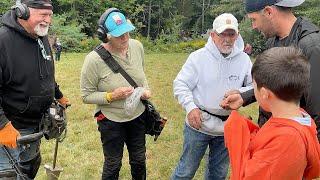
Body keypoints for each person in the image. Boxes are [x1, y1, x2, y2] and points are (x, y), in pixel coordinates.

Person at [220, 0, 320, 140]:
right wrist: (244, 97)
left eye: (254, 19)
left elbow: (317, 111)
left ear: (268, 12)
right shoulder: (273, 42)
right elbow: (275, 84)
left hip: (294, 143)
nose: (253, 26)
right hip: (273, 135)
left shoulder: (311, 46)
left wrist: (312, 156)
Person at [171, 13, 253, 180]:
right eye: (222, 34)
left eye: (231, 34)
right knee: (186, 171)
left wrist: (241, 93)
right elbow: (180, 84)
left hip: (226, 127)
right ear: (213, 35)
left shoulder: (244, 60)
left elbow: (254, 86)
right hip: (199, 123)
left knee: (219, 174)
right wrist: (190, 107)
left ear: (237, 35)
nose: (227, 39)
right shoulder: (198, 57)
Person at [224, 47, 320, 180]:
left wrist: (235, 133)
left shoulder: (287, 140)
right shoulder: (300, 118)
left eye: (254, 85)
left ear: (264, 93)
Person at [0, 0, 70, 179]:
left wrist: (58, 96)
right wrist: (2, 125)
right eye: (43, 15)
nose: (48, 20)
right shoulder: (3, 41)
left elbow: (45, 74)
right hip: (9, 130)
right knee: (9, 175)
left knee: (28, 169)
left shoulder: (41, 37)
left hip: (35, 126)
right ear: (22, 12)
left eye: (50, 15)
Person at [80, 8, 151, 180]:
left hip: (137, 115)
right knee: (113, 164)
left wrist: (145, 90)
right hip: (111, 121)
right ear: (106, 35)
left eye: (127, 32)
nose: (125, 38)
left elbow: (141, 75)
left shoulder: (137, 46)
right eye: (119, 35)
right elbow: (86, 96)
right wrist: (112, 96)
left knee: (139, 160)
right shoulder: (93, 60)